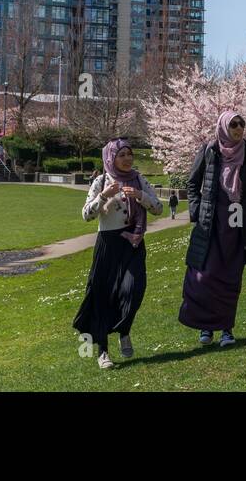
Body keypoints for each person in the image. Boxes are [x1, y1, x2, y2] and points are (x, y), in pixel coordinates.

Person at [179, 111, 246, 348]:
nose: (239, 128)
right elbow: (192, 183)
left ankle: (226, 329)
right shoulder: (209, 151)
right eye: (233, 124)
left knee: (231, 277)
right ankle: (207, 326)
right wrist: (197, 211)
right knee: (205, 276)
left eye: (241, 124)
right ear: (223, 127)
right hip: (211, 223)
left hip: (237, 224)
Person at [74, 138, 162, 369]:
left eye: (129, 154)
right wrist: (103, 195)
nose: (127, 159)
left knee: (134, 288)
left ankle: (124, 330)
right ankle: (103, 352)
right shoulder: (100, 181)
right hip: (108, 245)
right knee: (103, 298)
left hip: (132, 243)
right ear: (110, 158)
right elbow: (86, 215)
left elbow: (158, 208)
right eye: (121, 155)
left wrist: (141, 197)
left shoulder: (138, 179)